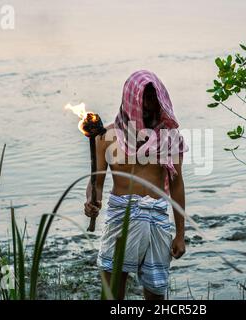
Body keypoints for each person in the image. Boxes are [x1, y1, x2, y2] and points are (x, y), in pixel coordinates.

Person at [84, 70, 187, 300]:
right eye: (144, 99)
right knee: (112, 294)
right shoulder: (107, 136)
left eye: (153, 98)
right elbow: (96, 182)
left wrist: (180, 234)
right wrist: (92, 200)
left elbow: (177, 185)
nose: (150, 104)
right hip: (120, 217)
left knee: (155, 294)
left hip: (157, 220)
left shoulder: (169, 137)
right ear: (131, 99)